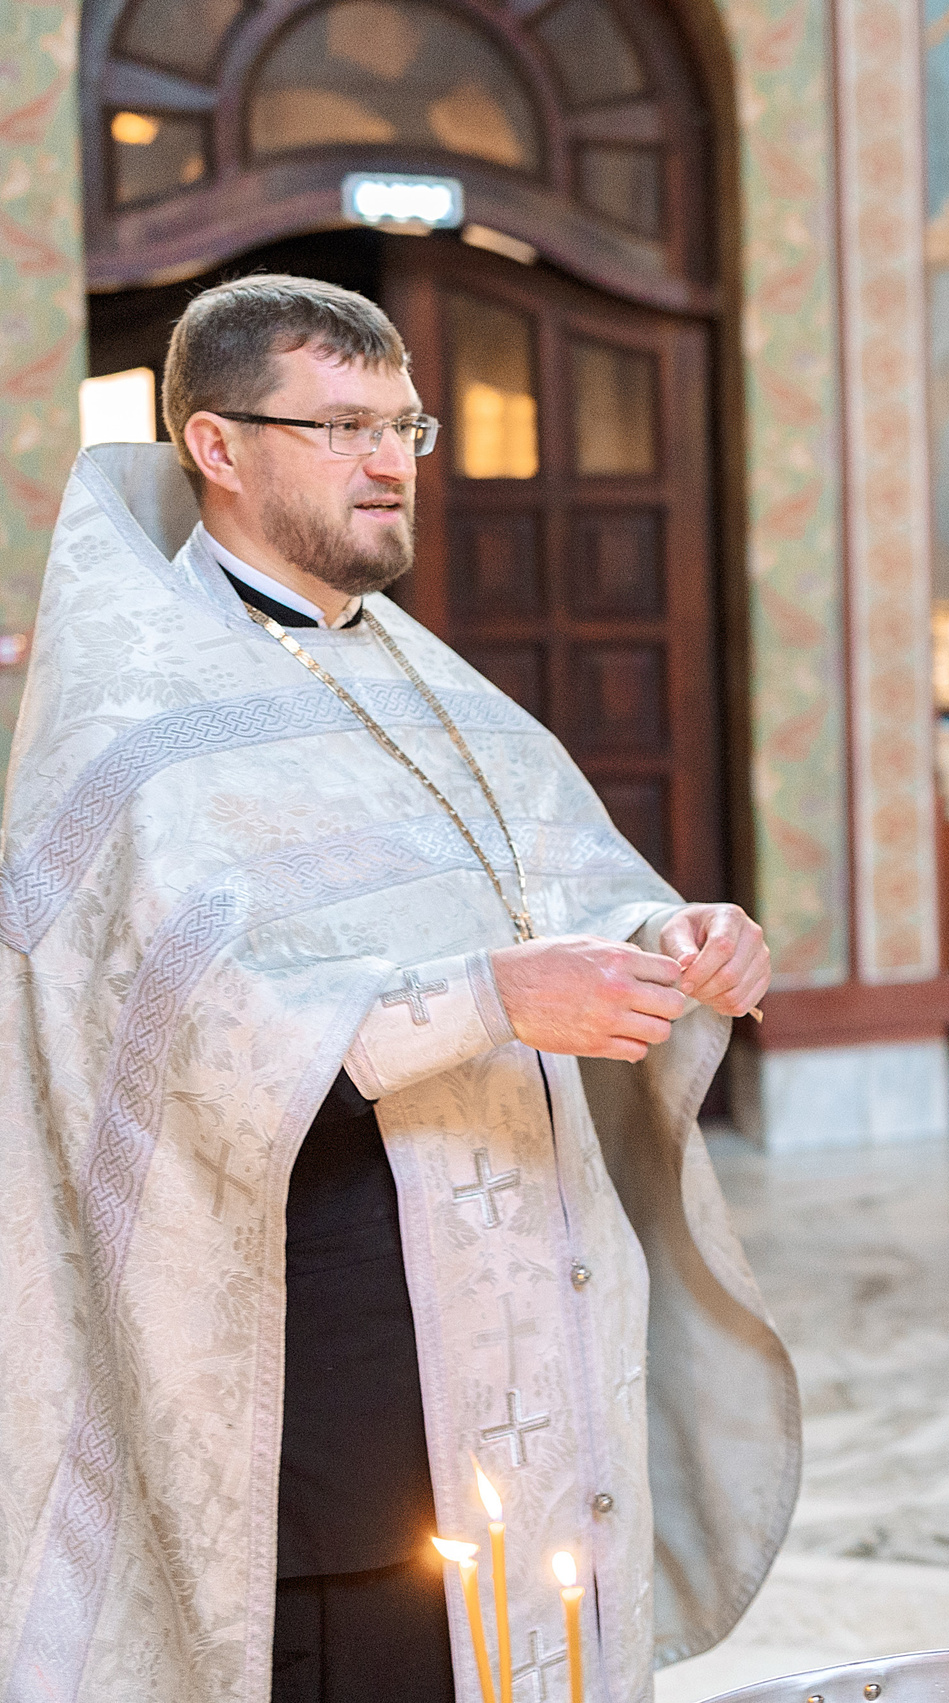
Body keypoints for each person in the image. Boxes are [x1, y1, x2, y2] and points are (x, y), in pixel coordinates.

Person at [0, 275, 797, 1702]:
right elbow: (176, 1025)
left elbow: (557, 889)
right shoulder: (136, 710)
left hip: (521, 1313)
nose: (390, 461)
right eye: (343, 424)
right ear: (218, 446)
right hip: (328, 1359)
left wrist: (677, 936)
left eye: (404, 425)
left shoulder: (422, 675)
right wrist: (492, 998)